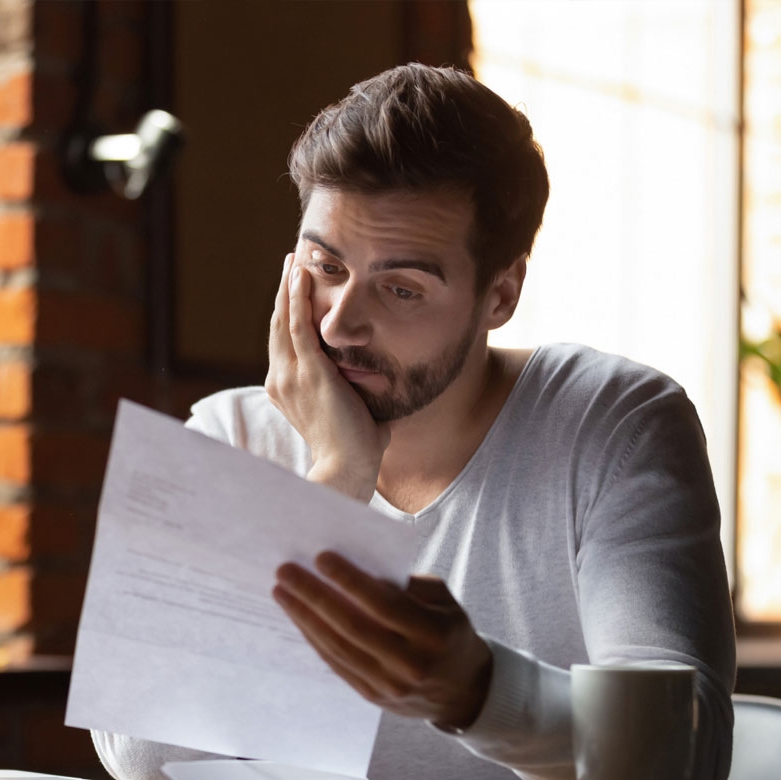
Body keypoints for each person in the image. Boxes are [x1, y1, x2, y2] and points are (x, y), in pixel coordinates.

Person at [92, 63, 735, 780]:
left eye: (400, 288)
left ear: (500, 295)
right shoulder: (226, 437)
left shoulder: (617, 425)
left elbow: (685, 751)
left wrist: (480, 693)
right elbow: (141, 759)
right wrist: (334, 483)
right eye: (325, 266)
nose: (339, 325)